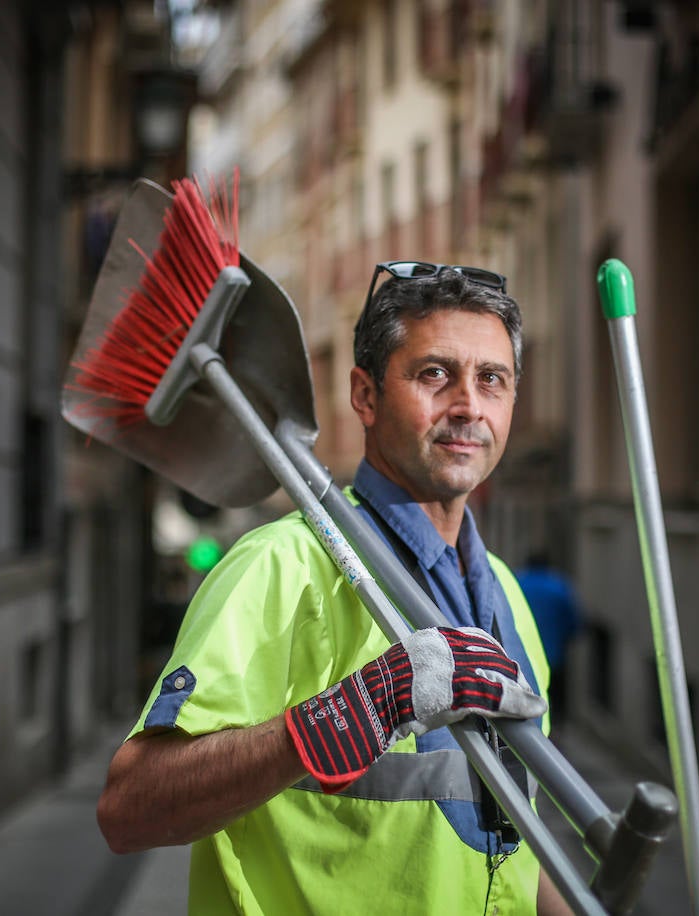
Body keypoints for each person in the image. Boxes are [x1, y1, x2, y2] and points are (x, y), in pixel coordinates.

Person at [96, 261, 572, 914]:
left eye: (492, 379)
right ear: (365, 396)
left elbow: (505, 828)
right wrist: (349, 715)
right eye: (434, 374)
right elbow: (128, 811)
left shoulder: (506, 596)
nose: (468, 405)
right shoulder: (281, 568)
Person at [514, 551, 582, 716]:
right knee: (554, 702)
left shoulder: (517, 583)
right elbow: (574, 622)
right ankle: (553, 734)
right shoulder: (559, 586)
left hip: (521, 657)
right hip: (554, 657)